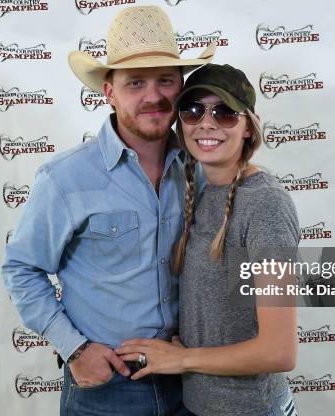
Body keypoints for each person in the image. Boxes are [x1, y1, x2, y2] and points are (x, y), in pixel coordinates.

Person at [1, 5, 215, 416]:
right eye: (136, 83)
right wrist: (75, 348)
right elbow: (21, 269)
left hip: (192, 383)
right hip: (106, 393)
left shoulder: (203, 171)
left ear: (181, 86)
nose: (154, 96)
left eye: (165, 81)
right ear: (109, 92)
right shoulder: (64, 178)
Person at [115, 64, 300, 416]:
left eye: (226, 112)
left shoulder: (265, 203)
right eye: (193, 110)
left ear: (249, 127)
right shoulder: (200, 190)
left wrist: (182, 359)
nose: (207, 123)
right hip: (197, 406)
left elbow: (280, 351)